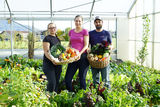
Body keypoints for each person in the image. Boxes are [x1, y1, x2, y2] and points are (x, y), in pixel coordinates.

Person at [65, 15, 89, 92]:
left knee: (82, 78)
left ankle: (82, 97)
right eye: (76, 21)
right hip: (73, 57)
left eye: (79, 21)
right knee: (67, 78)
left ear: (82, 22)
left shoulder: (85, 31)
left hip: (83, 58)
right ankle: (71, 94)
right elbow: (70, 44)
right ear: (74, 21)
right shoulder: (71, 31)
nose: (78, 22)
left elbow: (86, 45)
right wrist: (67, 50)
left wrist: (79, 54)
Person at [89, 16, 112, 88]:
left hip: (104, 59)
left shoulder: (107, 33)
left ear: (102, 22)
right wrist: (88, 50)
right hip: (94, 59)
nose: (98, 23)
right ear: (94, 23)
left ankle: (107, 94)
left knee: (106, 79)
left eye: (99, 22)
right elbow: (88, 44)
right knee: (95, 80)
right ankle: (96, 93)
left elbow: (111, 44)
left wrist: (110, 48)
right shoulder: (90, 33)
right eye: (96, 22)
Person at [42, 22, 62, 93]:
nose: (52, 29)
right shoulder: (47, 38)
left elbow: (60, 51)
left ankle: (54, 98)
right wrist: (52, 60)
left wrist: (62, 57)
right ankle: (47, 97)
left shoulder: (58, 39)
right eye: (50, 28)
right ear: (48, 29)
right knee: (52, 83)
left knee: (56, 83)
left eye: (53, 28)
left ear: (56, 29)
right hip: (49, 64)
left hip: (58, 64)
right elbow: (46, 51)